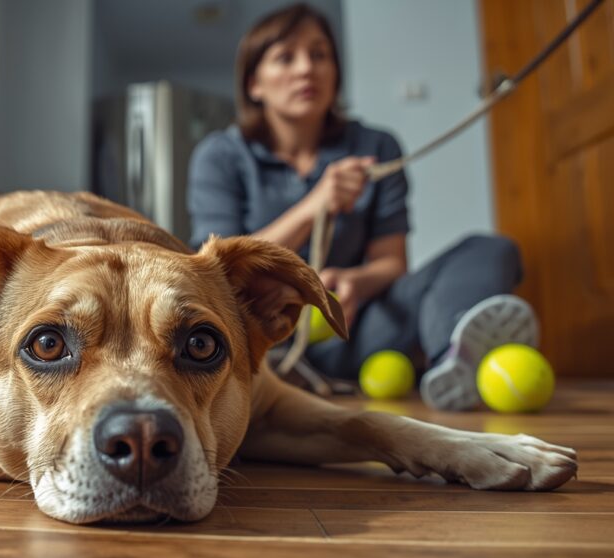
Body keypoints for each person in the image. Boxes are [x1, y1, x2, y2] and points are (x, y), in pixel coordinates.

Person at [187, 3, 537, 411]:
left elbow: (391, 264)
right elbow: (211, 273)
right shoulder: (220, 155)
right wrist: (313, 205)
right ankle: (424, 349)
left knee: (490, 248)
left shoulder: (376, 148)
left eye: (320, 55)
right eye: (286, 57)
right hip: (263, 337)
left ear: (336, 73)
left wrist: (356, 281)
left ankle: (452, 359)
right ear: (254, 84)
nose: (307, 69)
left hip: (356, 326)